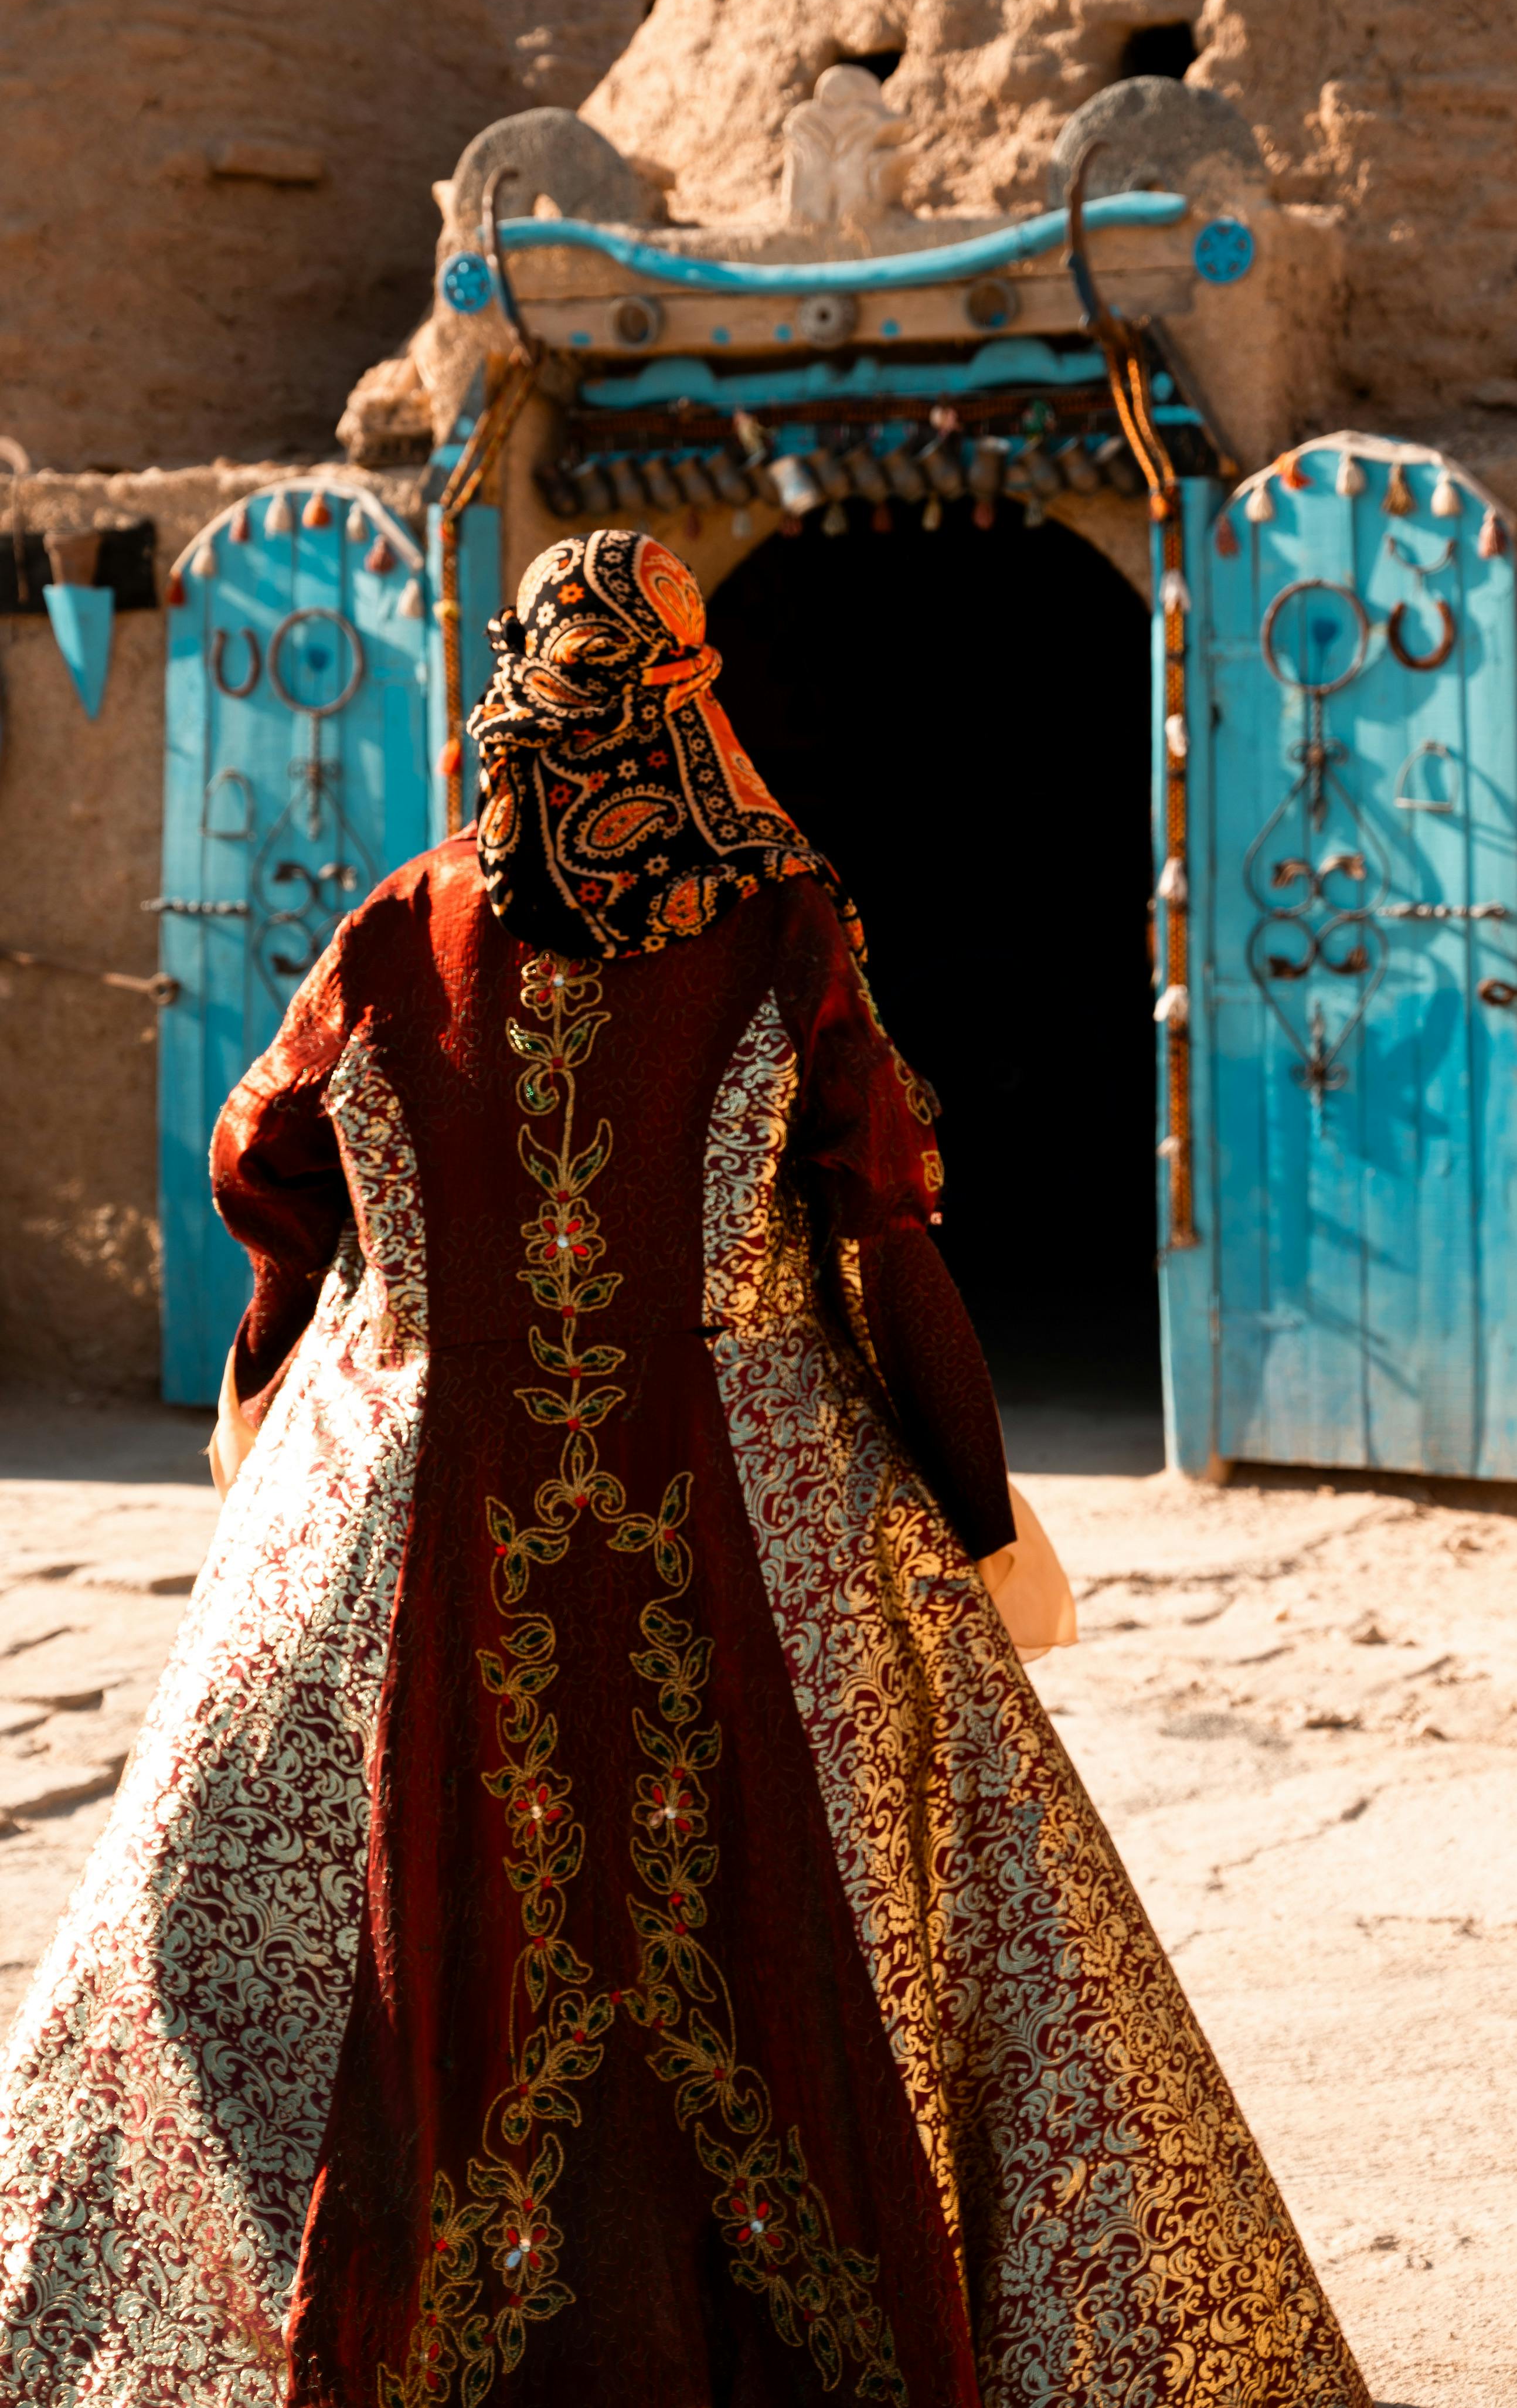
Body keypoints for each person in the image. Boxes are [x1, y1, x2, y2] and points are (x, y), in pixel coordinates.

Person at [0, 531, 1368, 2408]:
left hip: (424, 1494)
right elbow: (885, 1210)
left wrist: (297, 1341)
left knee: (336, 1937)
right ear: (680, 695)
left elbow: (262, 1154)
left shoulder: (403, 926)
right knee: (852, 1943)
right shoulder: (778, 923)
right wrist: (965, 1501)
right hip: (751, 1497)